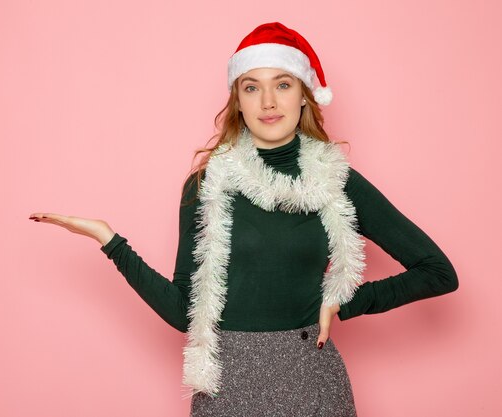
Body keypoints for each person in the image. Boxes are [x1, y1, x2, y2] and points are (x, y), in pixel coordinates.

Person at [29, 22, 459, 417]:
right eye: (252, 87)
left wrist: (344, 300)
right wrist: (111, 242)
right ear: (238, 98)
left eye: (283, 84)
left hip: (313, 387)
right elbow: (186, 312)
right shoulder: (206, 185)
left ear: (305, 94)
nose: (268, 102)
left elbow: (437, 273)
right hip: (227, 390)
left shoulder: (336, 181)